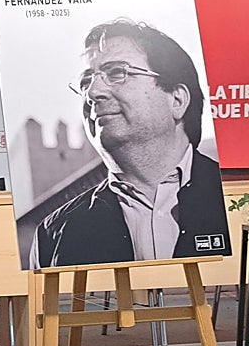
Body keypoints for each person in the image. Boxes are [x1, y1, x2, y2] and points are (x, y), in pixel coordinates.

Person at [30, 19, 230, 269]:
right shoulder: (54, 233)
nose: (92, 93)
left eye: (116, 72)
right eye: (85, 83)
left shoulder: (236, 200)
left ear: (177, 100)